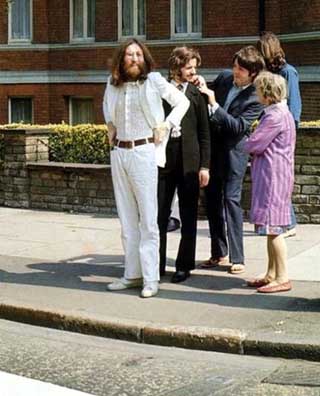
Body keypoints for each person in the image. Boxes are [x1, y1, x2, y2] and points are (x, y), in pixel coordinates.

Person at [102, 38, 189, 298]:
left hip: (144, 152)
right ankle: (132, 274)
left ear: (145, 58)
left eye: (138, 54)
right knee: (127, 219)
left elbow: (181, 102)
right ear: (121, 59)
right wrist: (109, 125)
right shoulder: (112, 83)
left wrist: (167, 124)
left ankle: (151, 279)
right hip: (119, 152)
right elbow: (107, 107)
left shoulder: (154, 80)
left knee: (149, 221)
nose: (134, 58)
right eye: (129, 54)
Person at [196, 46, 265, 275]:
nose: (234, 71)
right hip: (213, 152)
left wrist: (214, 104)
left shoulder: (255, 97)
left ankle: (238, 257)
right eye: (235, 66)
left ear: (252, 73)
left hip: (233, 154)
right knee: (212, 201)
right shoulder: (225, 78)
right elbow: (205, 93)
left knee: (232, 202)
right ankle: (218, 253)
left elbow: (237, 127)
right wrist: (200, 85)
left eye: (240, 69)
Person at [158, 46, 210, 282]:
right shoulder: (160, 92)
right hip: (163, 163)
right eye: (188, 67)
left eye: (194, 68)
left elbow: (204, 133)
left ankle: (184, 265)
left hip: (190, 164)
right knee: (159, 215)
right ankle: (156, 264)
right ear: (176, 67)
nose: (193, 72)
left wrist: (205, 166)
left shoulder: (196, 94)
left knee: (188, 217)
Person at [244, 71, 295, 293]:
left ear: (266, 92)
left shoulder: (274, 117)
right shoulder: (282, 113)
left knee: (274, 228)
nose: (256, 94)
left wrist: (247, 139)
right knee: (269, 227)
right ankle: (271, 273)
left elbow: (255, 144)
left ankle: (282, 277)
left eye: (257, 90)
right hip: (276, 174)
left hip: (273, 176)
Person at [257, 31, 302, 238]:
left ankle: (288, 223)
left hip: (283, 132)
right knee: (275, 181)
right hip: (273, 127)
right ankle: (283, 223)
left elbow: (292, 105)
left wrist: (288, 131)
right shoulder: (269, 72)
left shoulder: (288, 72)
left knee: (280, 180)